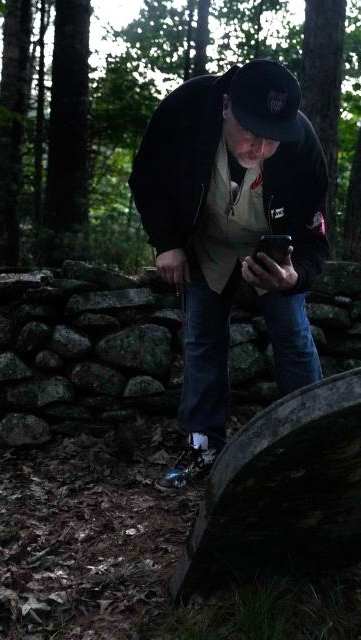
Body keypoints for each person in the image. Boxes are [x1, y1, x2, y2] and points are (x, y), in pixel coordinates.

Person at [129, 59, 328, 489]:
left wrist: (295, 278)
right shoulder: (184, 111)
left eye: (271, 139)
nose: (257, 148)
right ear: (225, 107)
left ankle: (313, 442)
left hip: (273, 248)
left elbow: (315, 237)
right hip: (206, 239)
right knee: (202, 336)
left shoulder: (303, 147)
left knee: (292, 333)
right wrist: (166, 242)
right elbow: (146, 176)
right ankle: (203, 446)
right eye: (250, 131)